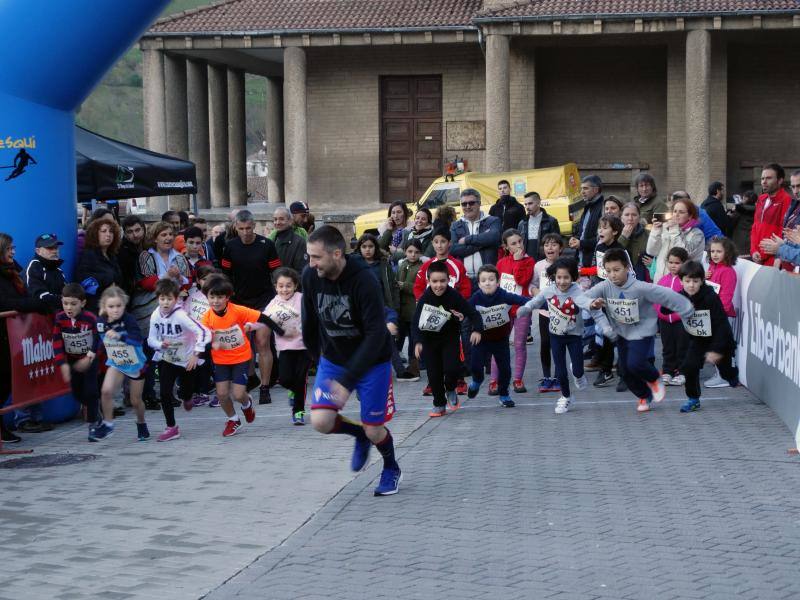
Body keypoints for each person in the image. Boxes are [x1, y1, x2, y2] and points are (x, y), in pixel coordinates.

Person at [303, 226, 401, 497]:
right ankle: (356, 434)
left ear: (337, 254)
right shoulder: (310, 275)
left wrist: (347, 381)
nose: (311, 264)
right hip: (334, 358)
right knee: (321, 421)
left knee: (375, 430)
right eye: (308, 257)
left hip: (373, 361)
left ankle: (391, 467)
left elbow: (375, 334)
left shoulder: (364, 280)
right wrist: (314, 358)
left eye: (316, 257)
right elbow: (309, 321)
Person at [585, 248, 694, 413]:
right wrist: (589, 303)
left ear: (627, 268)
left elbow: (667, 295)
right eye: (608, 271)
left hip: (642, 331)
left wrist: (686, 309)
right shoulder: (605, 286)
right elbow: (583, 296)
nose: (612, 275)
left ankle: (654, 378)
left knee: (634, 363)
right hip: (621, 332)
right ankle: (645, 395)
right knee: (625, 372)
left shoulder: (641, 287)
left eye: (616, 270)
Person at [201, 275, 283, 437]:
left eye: (220, 297)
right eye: (212, 297)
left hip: (240, 358)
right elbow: (202, 337)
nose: (215, 301)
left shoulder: (237, 310)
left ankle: (247, 404)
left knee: (238, 394)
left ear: (227, 297)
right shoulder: (207, 317)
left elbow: (262, 317)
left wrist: (280, 331)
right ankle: (233, 420)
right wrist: (210, 344)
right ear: (207, 297)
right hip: (221, 360)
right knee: (222, 394)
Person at [518, 258, 594, 414]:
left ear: (573, 277)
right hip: (556, 336)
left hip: (574, 336)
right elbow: (536, 301)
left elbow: (583, 301)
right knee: (560, 371)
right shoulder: (549, 290)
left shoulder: (576, 290)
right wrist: (526, 308)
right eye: (559, 277)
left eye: (566, 277)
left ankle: (578, 374)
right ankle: (566, 397)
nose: (562, 281)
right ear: (554, 277)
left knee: (578, 370)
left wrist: (592, 304)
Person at [221, 210, 282, 404]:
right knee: (243, 344)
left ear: (254, 226)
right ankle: (251, 377)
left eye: (248, 228)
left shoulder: (267, 245)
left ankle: (265, 387)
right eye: (241, 229)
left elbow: (277, 273)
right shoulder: (230, 247)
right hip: (239, 302)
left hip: (264, 300)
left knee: (262, 342)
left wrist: (281, 296)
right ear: (236, 228)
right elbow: (225, 275)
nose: (246, 232)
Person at [413, 261, 482, 417]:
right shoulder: (425, 298)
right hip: (429, 342)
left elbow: (473, 313)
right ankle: (439, 404)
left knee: (452, 369)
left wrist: (477, 330)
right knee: (434, 375)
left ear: (449, 280)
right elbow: (415, 322)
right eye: (435, 281)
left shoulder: (453, 295)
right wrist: (417, 342)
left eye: (442, 281)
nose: (439, 285)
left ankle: (450, 388)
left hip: (449, 339)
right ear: (428, 281)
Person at [0, 233, 49, 443]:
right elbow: (6, 302)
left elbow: (22, 296)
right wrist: (36, 304)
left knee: (7, 382)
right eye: (9, 248)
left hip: (12, 337)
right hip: (4, 334)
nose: (13, 252)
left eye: (13, 248)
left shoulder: (12, 271)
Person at [147, 279, 210, 442]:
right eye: (162, 299)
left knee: (186, 392)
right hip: (168, 358)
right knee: (165, 392)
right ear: (157, 299)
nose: (165, 303)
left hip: (187, 360)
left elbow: (204, 332)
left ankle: (187, 397)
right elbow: (150, 340)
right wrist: (161, 344)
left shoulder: (181, 316)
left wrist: (197, 354)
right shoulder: (155, 315)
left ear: (176, 299)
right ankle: (171, 427)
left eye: (169, 299)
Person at [413, 228, 471, 396]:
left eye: (443, 241)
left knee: (455, 350)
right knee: (432, 352)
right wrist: (422, 304)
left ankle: (458, 380)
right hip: (431, 316)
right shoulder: (426, 266)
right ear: (432, 244)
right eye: (436, 242)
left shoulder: (457, 265)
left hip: (451, 317)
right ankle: (433, 383)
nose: (439, 245)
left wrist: (459, 307)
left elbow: (466, 289)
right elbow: (418, 288)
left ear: (449, 243)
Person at [677, 261, 739, 413]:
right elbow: (665, 309)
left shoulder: (710, 297)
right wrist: (664, 302)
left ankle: (731, 373)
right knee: (689, 367)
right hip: (699, 339)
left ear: (702, 281)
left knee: (725, 372)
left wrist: (716, 350)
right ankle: (693, 399)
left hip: (719, 338)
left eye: (695, 281)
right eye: (687, 281)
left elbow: (721, 324)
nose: (691, 285)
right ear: (681, 281)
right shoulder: (680, 296)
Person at [466, 265, 528, 408]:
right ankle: (476, 382)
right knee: (475, 365)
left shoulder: (503, 295)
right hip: (481, 338)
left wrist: (543, 302)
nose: (487, 283)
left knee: (505, 369)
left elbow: (522, 300)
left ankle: (504, 394)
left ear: (498, 282)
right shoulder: (475, 298)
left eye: (491, 279)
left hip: (500, 339)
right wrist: (474, 329)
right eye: (483, 280)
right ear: (479, 283)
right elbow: (466, 311)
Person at [92, 286, 149, 442]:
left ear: (124, 305)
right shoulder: (101, 321)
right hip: (117, 362)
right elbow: (98, 339)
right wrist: (92, 353)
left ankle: (141, 422)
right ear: (104, 306)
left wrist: (120, 337)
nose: (115, 310)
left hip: (135, 363)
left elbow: (138, 340)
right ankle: (108, 425)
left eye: (119, 306)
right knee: (106, 391)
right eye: (111, 306)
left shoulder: (129, 319)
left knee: (135, 401)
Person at [264, 268, 311, 425]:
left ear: (295, 285)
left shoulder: (302, 299)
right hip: (284, 348)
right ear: (276, 287)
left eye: (288, 286)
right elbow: (264, 319)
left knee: (300, 380)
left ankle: (298, 412)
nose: (285, 289)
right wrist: (250, 325)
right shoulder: (274, 303)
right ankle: (293, 390)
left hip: (304, 347)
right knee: (285, 379)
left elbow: (314, 314)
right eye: (281, 286)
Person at [54, 283, 100, 440]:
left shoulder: (90, 318)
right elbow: (57, 342)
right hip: (73, 361)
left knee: (91, 391)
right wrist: (62, 364)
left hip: (89, 360)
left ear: (83, 303)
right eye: (65, 303)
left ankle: (93, 424)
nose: (69, 308)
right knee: (77, 393)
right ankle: (93, 408)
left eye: (73, 304)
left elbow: (98, 339)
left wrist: (90, 356)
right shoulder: (60, 319)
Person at [493, 229, 535, 394]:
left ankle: (518, 379)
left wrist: (518, 262)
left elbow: (522, 280)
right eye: (513, 244)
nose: (518, 246)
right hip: (504, 308)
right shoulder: (501, 263)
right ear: (506, 246)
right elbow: (497, 285)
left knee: (519, 344)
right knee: (499, 344)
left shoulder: (529, 260)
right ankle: (494, 381)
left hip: (521, 309)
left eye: (520, 241)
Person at [531, 233, 564, 393]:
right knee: (545, 343)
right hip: (545, 312)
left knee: (558, 344)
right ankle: (547, 377)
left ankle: (558, 377)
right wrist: (538, 293)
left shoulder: (567, 264)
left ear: (561, 248)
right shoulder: (538, 266)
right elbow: (533, 284)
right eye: (546, 245)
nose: (550, 248)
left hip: (562, 313)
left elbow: (575, 283)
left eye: (554, 244)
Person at [450, 188, 502, 285]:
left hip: (487, 279)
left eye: (471, 203)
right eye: (464, 204)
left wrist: (467, 239)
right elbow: (453, 249)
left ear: (479, 203)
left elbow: (494, 237)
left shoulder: (493, 221)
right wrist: (483, 241)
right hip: (463, 280)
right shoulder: (455, 225)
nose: (468, 206)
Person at [646, 197, 705, 280]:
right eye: (675, 211)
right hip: (661, 281)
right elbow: (652, 251)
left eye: (681, 212)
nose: (676, 215)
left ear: (690, 216)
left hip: (682, 281)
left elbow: (684, 253)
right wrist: (656, 231)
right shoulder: (665, 229)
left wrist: (674, 230)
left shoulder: (697, 233)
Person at [655, 247, 690, 386]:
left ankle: (683, 372)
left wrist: (676, 315)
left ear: (684, 263)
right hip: (664, 321)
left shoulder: (687, 281)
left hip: (681, 321)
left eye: (677, 263)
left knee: (682, 346)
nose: (673, 266)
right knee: (667, 347)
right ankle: (668, 371)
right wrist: (662, 314)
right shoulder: (663, 280)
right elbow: (656, 300)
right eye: (670, 262)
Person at [75, 218, 123, 313]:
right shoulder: (89, 254)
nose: (108, 234)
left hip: (113, 307)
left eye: (111, 231)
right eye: (103, 231)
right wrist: (107, 282)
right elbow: (83, 280)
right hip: (96, 308)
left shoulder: (111, 255)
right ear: (95, 234)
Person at [395, 240, 425, 380]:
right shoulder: (402, 265)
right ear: (405, 251)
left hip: (414, 309)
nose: (413, 255)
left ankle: (414, 368)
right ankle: (399, 367)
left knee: (413, 340)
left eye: (416, 252)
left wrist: (404, 285)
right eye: (410, 252)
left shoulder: (422, 267)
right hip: (401, 309)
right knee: (398, 338)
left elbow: (421, 287)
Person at [751, 163, 791, 266]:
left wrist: (763, 254)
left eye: (768, 178)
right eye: (762, 178)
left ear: (780, 180)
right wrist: (754, 250)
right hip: (757, 257)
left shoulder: (786, 200)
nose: (764, 182)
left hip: (774, 258)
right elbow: (755, 227)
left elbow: (783, 232)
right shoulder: (761, 199)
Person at [570, 175, 605, 268]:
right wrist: (575, 238)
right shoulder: (587, 207)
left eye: (585, 188)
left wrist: (581, 243)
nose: (582, 192)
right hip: (581, 261)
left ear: (596, 190)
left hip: (595, 263)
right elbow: (582, 232)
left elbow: (602, 239)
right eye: (581, 189)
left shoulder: (604, 208)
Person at [356, 233, 398, 311]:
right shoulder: (355, 266)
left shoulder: (384, 265)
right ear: (359, 248)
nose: (367, 249)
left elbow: (393, 286)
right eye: (364, 246)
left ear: (375, 247)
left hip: (382, 308)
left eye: (370, 246)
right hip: (362, 308)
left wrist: (395, 308)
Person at [25, 233, 66, 312]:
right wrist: (67, 301)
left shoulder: (58, 269)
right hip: (40, 318)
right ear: (38, 251)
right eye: (50, 248)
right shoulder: (34, 267)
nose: (55, 251)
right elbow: (39, 296)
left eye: (56, 247)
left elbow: (66, 292)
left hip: (58, 316)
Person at [518, 191, 559, 262]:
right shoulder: (522, 223)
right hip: (526, 261)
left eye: (530, 203)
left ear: (538, 203)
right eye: (526, 204)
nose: (527, 207)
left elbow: (558, 243)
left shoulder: (550, 221)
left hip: (545, 260)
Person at [618, 202, 651, 281]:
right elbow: (613, 254)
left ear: (639, 217)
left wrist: (653, 263)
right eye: (627, 215)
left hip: (642, 278)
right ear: (621, 217)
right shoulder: (615, 233)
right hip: (621, 277)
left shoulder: (648, 234)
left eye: (634, 215)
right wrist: (623, 237)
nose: (630, 218)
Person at [269, 207, 308, 273]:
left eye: (281, 219)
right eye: (275, 219)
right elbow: (273, 266)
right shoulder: (273, 240)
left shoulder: (299, 242)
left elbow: (301, 270)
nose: (277, 222)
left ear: (290, 221)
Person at [119, 215, 146, 296]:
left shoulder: (149, 245)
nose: (135, 235)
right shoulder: (122, 252)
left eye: (137, 230)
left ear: (143, 229)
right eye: (130, 232)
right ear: (125, 234)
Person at [728, 190, 757, 256]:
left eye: (743, 197)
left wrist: (731, 213)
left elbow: (731, 223)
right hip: (751, 239)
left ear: (746, 198)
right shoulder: (757, 210)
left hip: (739, 239)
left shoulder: (740, 210)